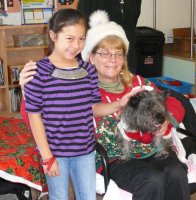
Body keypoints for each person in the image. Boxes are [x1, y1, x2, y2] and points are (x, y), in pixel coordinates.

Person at [20, 10, 190, 200]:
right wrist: (26, 92)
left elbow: (175, 101)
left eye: (119, 53)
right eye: (105, 53)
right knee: (151, 180)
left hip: (152, 149)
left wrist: (167, 119)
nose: (113, 59)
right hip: (116, 157)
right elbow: (36, 116)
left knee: (176, 172)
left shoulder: (138, 83)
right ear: (91, 57)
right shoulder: (81, 87)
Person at [22, 9, 134, 200]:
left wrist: (118, 104)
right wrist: (47, 157)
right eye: (70, 38)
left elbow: (93, 108)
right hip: (55, 152)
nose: (76, 45)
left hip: (85, 150)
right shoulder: (38, 72)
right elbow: (35, 117)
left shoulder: (88, 70)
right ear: (53, 36)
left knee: (88, 196)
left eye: (81, 39)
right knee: (59, 196)